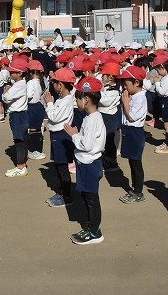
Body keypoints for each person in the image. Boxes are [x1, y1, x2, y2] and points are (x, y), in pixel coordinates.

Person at [64, 76, 106, 245]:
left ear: (86, 99)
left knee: (91, 199)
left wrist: (74, 136)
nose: (76, 102)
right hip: (85, 163)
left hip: (90, 164)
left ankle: (94, 231)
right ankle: (90, 226)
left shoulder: (93, 119)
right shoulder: (91, 117)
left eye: (78, 98)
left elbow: (87, 145)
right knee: (86, 197)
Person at [43, 68, 77, 206]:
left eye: (54, 83)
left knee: (62, 167)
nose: (53, 85)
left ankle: (66, 197)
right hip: (58, 135)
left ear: (61, 85)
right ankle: (62, 192)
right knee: (59, 166)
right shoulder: (63, 99)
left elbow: (54, 117)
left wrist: (49, 103)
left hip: (61, 135)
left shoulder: (66, 101)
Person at [117, 66, 148, 204]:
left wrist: (125, 103)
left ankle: (138, 191)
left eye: (126, 83)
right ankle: (135, 189)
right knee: (132, 162)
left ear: (136, 83)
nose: (124, 86)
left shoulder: (140, 98)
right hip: (128, 131)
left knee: (136, 163)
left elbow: (131, 117)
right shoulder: (133, 96)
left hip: (135, 133)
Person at [2, 59, 30, 177]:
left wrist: (5, 92)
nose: (10, 73)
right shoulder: (19, 84)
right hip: (19, 114)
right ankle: (21, 164)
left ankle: (21, 166)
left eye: (12, 72)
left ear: (20, 73)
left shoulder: (19, 85)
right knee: (20, 140)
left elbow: (7, 98)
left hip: (18, 115)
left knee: (19, 140)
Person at [99, 62, 122, 171]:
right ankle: (107, 159)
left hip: (109, 117)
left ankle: (112, 163)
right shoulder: (107, 87)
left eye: (104, 75)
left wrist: (99, 92)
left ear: (110, 77)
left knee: (109, 140)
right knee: (105, 139)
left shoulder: (115, 90)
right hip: (104, 115)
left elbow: (105, 101)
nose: (102, 77)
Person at [152, 56, 168, 155]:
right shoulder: (166, 77)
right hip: (166, 101)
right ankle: (167, 142)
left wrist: (157, 83)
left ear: (162, 68)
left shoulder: (167, 78)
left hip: (167, 102)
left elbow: (161, 92)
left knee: (167, 125)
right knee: (167, 124)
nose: (158, 72)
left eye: (158, 70)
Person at [26, 59, 47, 160]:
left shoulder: (30, 82)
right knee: (38, 129)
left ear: (30, 72)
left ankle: (35, 150)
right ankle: (39, 149)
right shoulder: (41, 81)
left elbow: (29, 95)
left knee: (32, 130)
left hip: (32, 107)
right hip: (39, 106)